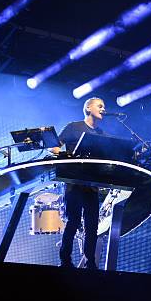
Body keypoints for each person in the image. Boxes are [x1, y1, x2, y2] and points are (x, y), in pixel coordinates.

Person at [52, 97, 107, 269]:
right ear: (88, 108)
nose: (103, 109)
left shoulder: (101, 134)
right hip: (73, 183)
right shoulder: (74, 127)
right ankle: (65, 260)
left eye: (104, 106)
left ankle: (91, 262)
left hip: (92, 185)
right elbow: (55, 147)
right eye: (100, 106)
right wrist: (65, 158)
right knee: (73, 221)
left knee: (92, 226)